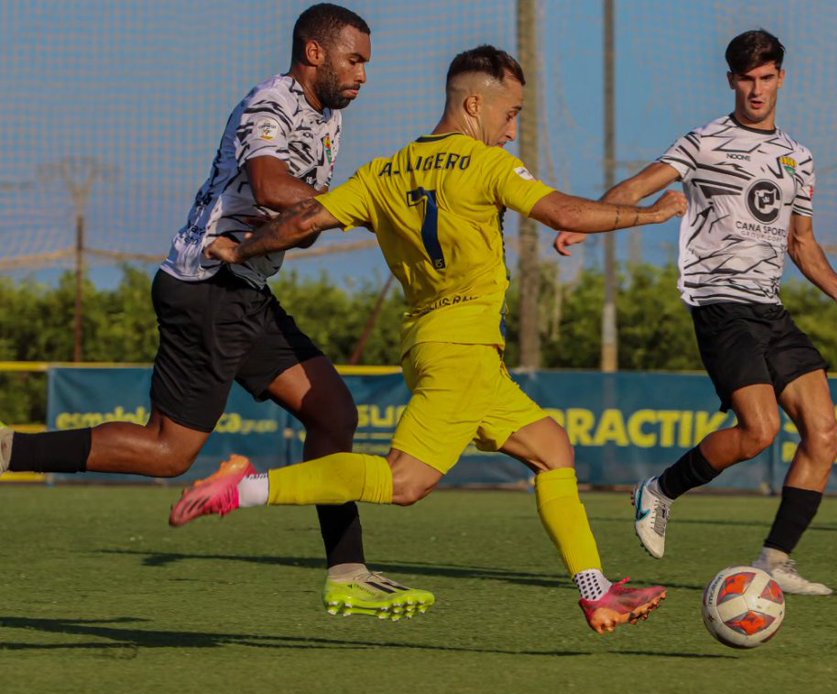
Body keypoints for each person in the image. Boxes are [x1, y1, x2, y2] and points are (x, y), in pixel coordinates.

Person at [169, 45, 687, 634]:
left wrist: (241, 248)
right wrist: (651, 215)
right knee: (404, 482)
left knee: (551, 447)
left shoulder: (381, 173)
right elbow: (563, 213)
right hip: (461, 349)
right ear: (474, 104)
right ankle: (244, 488)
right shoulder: (486, 166)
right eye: (510, 114)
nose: (512, 131)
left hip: (435, 345)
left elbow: (304, 219)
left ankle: (597, 592)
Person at [0, 5, 426, 619]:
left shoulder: (329, 119)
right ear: (314, 53)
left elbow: (299, 227)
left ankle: (347, 572)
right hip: (206, 284)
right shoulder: (270, 104)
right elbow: (271, 187)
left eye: (366, 63)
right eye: (354, 59)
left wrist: (318, 217)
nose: (363, 74)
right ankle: (11, 451)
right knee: (169, 452)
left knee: (334, 412)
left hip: (246, 290)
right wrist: (365, 206)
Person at [554, 30, 837, 595]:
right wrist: (587, 219)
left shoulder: (799, 158)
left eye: (766, 77)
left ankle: (774, 561)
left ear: (781, 78)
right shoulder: (703, 142)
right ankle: (660, 490)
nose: (756, 89)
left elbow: (802, 243)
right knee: (760, 430)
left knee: (825, 434)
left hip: (770, 308)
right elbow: (638, 185)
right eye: (745, 78)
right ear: (730, 80)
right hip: (720, 305)